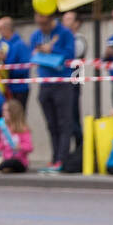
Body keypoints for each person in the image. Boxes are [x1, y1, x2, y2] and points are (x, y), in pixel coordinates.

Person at [29, 11, 77, 173]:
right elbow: (31, 53)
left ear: (51, 20)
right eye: (39, 23)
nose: (41, 27)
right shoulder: (36, 35)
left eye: (44, 23)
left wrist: (52, 49)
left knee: (64, 123)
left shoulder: (64, 33)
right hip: (45, 83)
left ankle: (62, 159)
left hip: (62, 82)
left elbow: (71, 54)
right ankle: (54, 157)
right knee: (51, 124)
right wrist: (36, 53)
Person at [62, 10, 87, 158]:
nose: (65, 21)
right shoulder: (64, 38)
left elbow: (71, 55)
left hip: (74, 81)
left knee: (73, 118)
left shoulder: (79, 39)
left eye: (69, 19)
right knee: (66, 119)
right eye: (64, 18)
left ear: (77, 23)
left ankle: (80, 149)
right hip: (63, 82)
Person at [0, 16, 31, 110]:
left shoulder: (20, 44)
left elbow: (25, 67)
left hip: (19, 89)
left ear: (7, 29)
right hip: (6, 88)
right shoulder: (1, 44)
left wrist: (6, 63)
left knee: (18, 118)